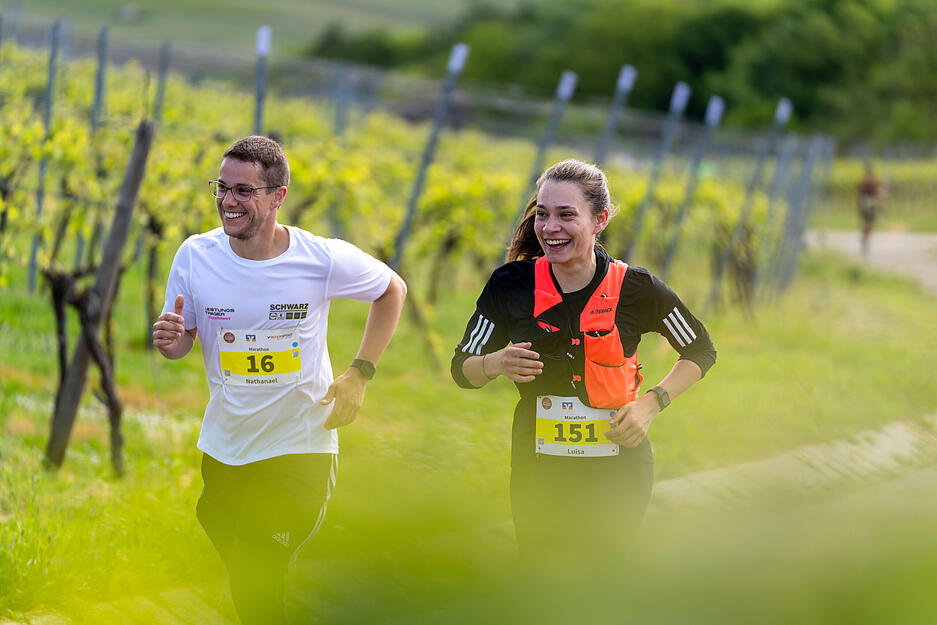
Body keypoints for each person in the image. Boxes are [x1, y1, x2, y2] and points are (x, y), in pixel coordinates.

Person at [152, 136, 406, 624]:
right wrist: (171, 342)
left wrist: (360, 372)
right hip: (227, 444)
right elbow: (182, 341)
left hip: (301, 446)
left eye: (244, 191)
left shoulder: (319, 258)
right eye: (221, 188)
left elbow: (391, 289)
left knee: (255, 569)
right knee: (220, 527)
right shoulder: (195, 255)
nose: (228, 201)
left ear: (277, 195)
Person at [451, 160, 715, 560]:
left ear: (599, 220)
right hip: (538, 469)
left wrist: (651, 404)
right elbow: (462, 369)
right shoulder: (511, 285)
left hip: (619, 471)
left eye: (566, 215)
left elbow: (700, 350)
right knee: (542, 581)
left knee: (602, 585)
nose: (549, 227)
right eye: (542, 214)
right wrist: (495, 364)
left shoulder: (636, 288)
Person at [856, 162, 884, 257]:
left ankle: (865, 236)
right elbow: (878, 194)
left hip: (865, 204)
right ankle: (866, 236)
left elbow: (858, 193)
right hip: (869, 205)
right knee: (869, 222)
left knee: (867, 222)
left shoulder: (863, 182)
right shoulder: (873, 183)